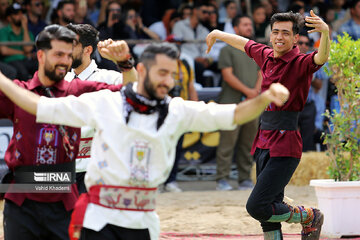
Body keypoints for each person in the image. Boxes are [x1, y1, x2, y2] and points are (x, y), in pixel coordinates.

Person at [0, 42, 290, 240]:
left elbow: (235, 114)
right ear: (141, 71)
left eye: (172, 75)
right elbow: (40, 106)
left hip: (143, 222)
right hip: (97, 220)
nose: (168, 81)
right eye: (161, 73)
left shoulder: (177, 109)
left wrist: (264, 98)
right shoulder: (105, 102)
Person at [206, 9, 330, 240]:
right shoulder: (266, 55)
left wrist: (325, 33)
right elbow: (245, 43)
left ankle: (309, 216)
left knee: (257, 206)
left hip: (286, 143)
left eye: (285, 33)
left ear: (295, 38)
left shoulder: (301, 62)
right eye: (275, 32)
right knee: (268, 211)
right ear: (270, 35)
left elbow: (320, 59)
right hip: (263, 139)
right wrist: (217, 33)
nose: (279, 37)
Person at [0, 24, 131, 240]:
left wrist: (126, 65)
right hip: (23, 199)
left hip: (71, 190)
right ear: (41, 55)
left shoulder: (78, 89)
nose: (65, 60)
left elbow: (130, 97)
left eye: (68, 54)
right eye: (59, 54)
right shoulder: (20, 90)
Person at [64, 23, 136, 194]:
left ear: (87, 50)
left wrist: (122, 60)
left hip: (97, 169)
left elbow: (135, 89)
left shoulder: (108, 78)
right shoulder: (59, 79)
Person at [215, 15, 262, 191]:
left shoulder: (256, 50)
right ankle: (222, 178)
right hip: (231, 104)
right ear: (235, 29)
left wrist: (256, 92)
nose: (249, 27)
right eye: (244, 24)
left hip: (252, 103)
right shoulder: (227, 50)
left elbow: (261, 73)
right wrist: (250, 92)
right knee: (227, 142)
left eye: (250, 24)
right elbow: (227, 75)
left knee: (248, 144)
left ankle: (244, 179)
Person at [163, 50, 199, 193]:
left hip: (181, 110)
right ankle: (159, 181)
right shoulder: (163, 65)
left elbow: (191, 86)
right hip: (165, 111)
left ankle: (171, 180)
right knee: (162, 147)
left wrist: (194, 106)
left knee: (177, 148)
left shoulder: (185, 65)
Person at [0, 3, 36, 81]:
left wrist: (25, 27)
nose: (21, 16)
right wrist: (23, 53)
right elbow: (4, 50)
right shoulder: (3, 31)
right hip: (10, 61)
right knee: (22, 72)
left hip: (26, 60)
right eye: (16, 14)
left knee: (40, 67)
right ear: (9, 18)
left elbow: (28, 49)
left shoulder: (27, 32)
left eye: (21, 13)